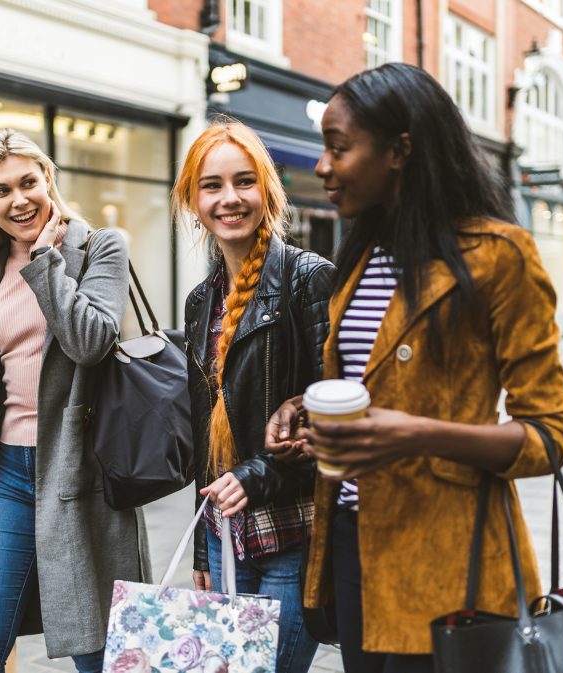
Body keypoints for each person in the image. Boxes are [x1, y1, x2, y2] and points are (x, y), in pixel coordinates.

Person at [265, 63, 563, 673]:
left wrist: (415, 433)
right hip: (352, 540)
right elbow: (374, 377)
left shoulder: (500, 256)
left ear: (400, 151)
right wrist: (305, 406)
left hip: (448, 558)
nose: (321, 166)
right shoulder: (362, 255)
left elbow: (548, 437)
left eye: (338, 147)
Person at [0, 128, 150, 673]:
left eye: (28, 182)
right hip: (6, 473)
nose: (19, 200)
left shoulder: (100, 247)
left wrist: (45, 260)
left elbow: (90, 342)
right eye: (1, 190)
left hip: (81, 470)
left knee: (97, 649)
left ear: (48, 178)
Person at [173, 120, 336, 673]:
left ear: (267, 190)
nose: (230, 198)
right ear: (193, 200)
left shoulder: (308, 279)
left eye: (244, 181)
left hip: (296, 533)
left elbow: (334, 413)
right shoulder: (201, 301)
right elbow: (204, 432)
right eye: (212, 185)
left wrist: (256, 475)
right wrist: (203, 544)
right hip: (226, 536)